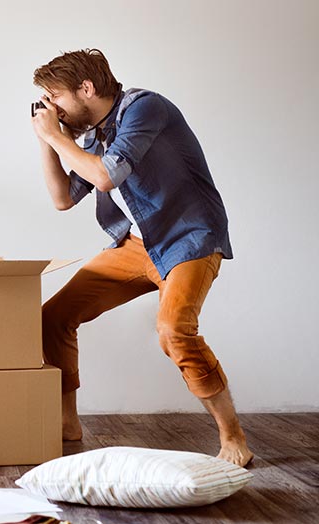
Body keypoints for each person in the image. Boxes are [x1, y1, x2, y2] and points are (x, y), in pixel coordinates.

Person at [30, 49, 253, 467]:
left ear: (87, 88)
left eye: (55, 97)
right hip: (137, 244)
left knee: (174, 331)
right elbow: (62, 199)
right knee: (54, 316)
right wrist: (45, 139)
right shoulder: (94, 135)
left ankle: (233, 437)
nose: (52, 107)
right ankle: (67, 424)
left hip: (188, 239)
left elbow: (105, 175)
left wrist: (57, 137)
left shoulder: (145, 108)